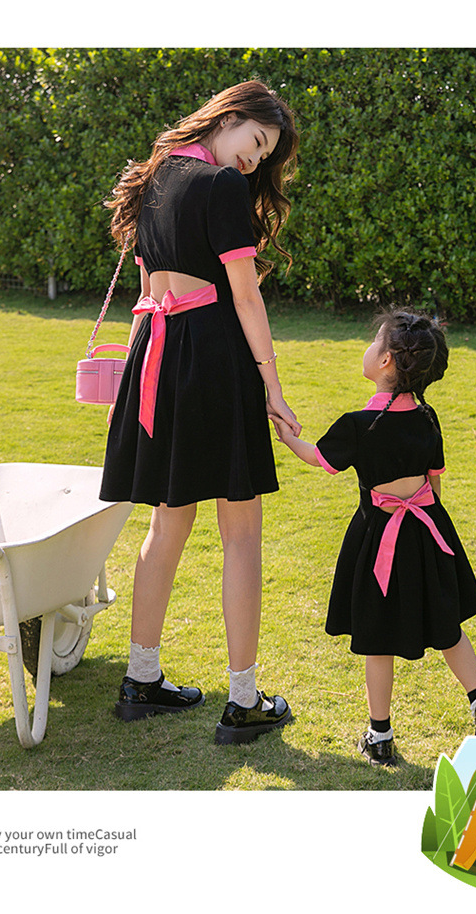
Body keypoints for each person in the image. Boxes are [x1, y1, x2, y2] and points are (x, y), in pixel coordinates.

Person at [99, 80, 300, 745]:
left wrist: (131, 386)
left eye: (265, 155)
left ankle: (141, 680)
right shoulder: (221, 187)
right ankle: (243, 701)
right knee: (241, 530)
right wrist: (273, 387)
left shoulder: (153, 176)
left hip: (157, 355)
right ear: (230, 116)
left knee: (168, 521)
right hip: (212, 355)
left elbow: (146, 295)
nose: (255, 160)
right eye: (257, 142)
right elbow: (245, 298)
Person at [270, 309, 476, 766]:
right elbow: (434, 482)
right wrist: (433, 532)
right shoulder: (427, 417)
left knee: (377, 638)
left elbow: (319, 459)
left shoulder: (359, 424)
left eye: (375, 341)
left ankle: (380, 735)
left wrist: (284, 436)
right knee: (447, 625)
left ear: (386, 361)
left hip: (380, 539)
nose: (369, 347)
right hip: (429, 533)